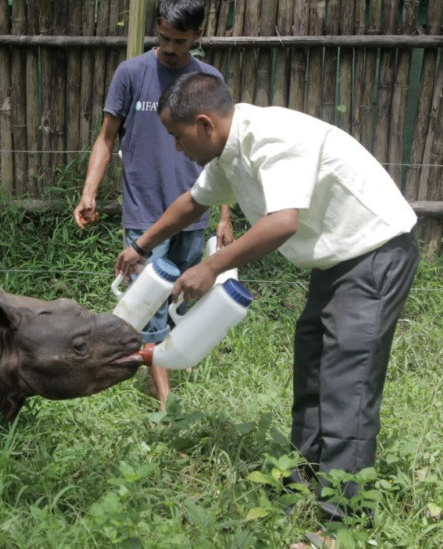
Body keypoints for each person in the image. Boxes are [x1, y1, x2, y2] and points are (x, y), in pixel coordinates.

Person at [116, 72, 419, 525]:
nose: (178, 149)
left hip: (374, 251)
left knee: (346, 381)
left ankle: (342, 522)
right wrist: (141, 247)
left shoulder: (273, 139)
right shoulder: (229, 152)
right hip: (337, 259)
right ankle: (304, 480)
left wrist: (210, 266)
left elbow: (282, 223)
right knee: (313, 366)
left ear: (204, 124)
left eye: (177, 138)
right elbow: (192, 202)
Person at [73, 0, 233, 411]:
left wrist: (224, 215)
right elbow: (106, 138)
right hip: (145, 214)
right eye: (162, 37)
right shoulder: (131, 73)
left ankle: (157, 369)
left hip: (194, 213)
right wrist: (89, 191)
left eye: (179, 40)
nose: (168, 47)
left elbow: (224, 155)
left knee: (181, 298)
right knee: (152, 304)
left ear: (197, 35)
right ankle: (165, 402)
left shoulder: (208, 80)